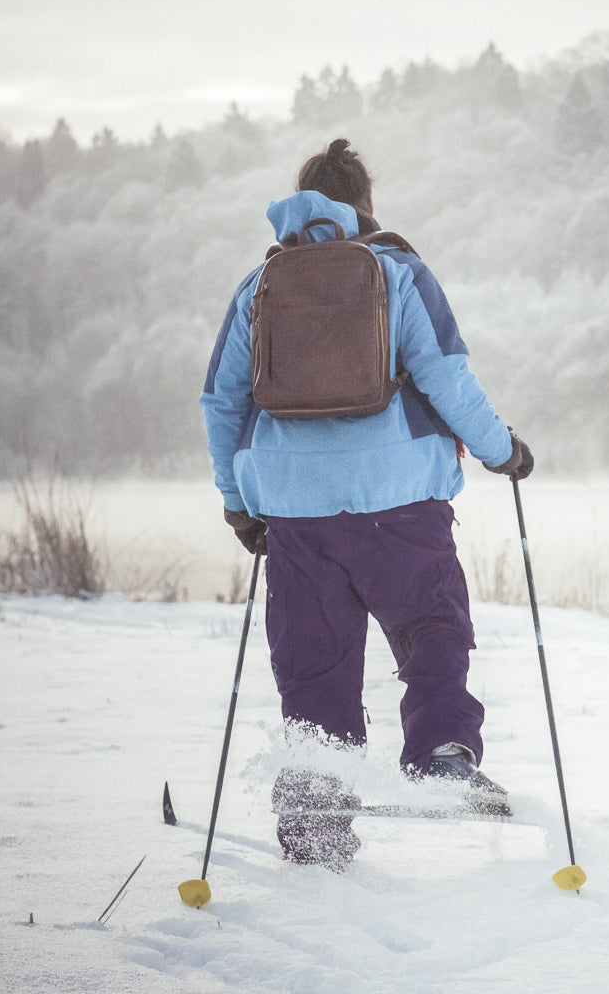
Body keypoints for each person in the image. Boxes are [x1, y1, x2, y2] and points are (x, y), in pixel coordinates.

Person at [200, 138, 532, 870]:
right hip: (400, 504)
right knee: (431, 625)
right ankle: (442, 755)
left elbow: (222, 402)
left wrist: (240, 504)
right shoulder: (395, 269)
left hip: (294, 512)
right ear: (366, 206)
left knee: (313, 663)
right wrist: (501, 449)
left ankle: (317, 827)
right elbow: (446, 378)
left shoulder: (259, 287)